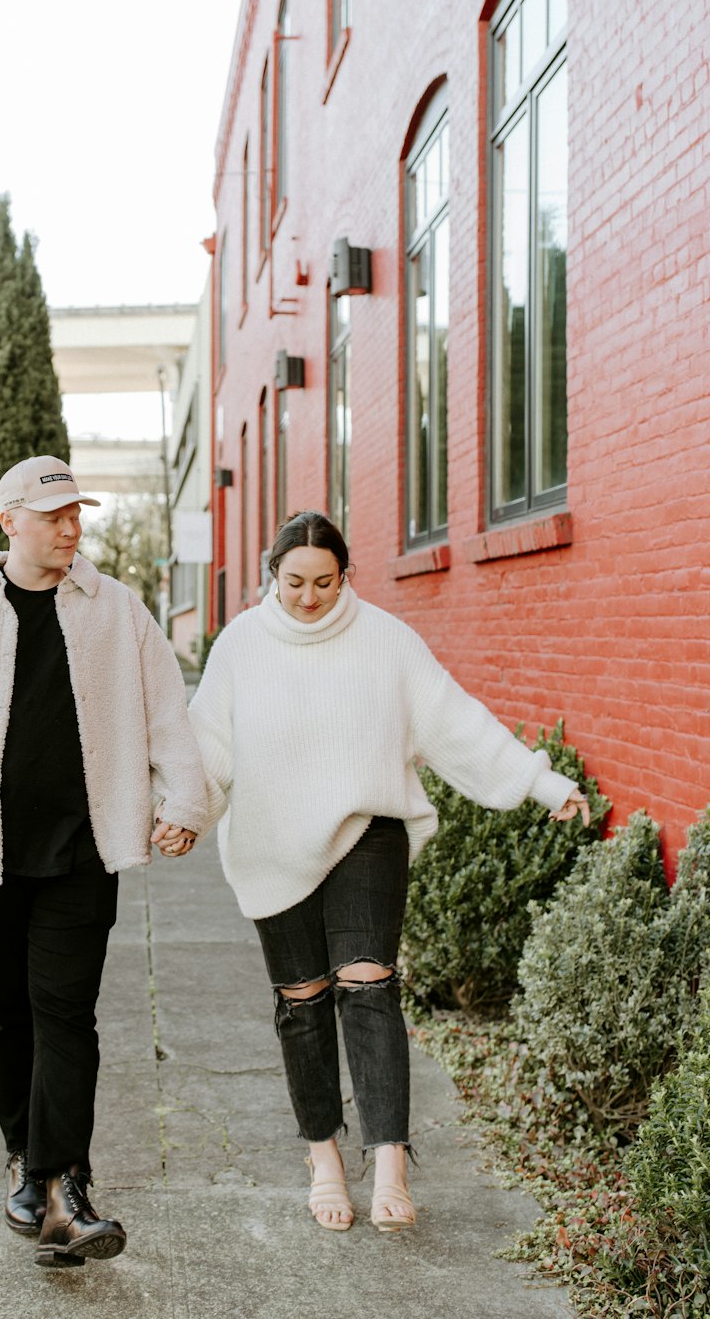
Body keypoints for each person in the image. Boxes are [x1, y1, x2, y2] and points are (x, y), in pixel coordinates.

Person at [178, 510, 589, 1235]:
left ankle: (391, 1163)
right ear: (273, 576)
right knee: (303, 1004)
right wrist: (182, 815)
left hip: (370, 829)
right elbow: (208, 750)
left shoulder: (387, 642)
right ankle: (324, 1159)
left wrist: (542, 782)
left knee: (368, 987)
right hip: (274, 842)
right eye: (295, 582)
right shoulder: (240, 646)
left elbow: (454, 722)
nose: (309, 596)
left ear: (348, 575)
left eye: (325, 582)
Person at [0, 455, 207, 1268]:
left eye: (78, 514)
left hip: (78, 847)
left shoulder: (116, 610)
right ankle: (23, 1161)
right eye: (54, 514)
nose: (71, 528)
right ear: (9, 522)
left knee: (66, 1015)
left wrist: (183, 799)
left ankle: (64, 1187)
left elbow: (166, 708)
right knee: (5, 1015)